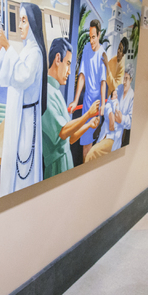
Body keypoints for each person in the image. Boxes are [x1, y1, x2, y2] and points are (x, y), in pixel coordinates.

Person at [0, 3, 47, 196]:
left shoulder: (35, 52)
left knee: (23, 176)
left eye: (24, 20)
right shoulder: (25, 50)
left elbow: (22, 77)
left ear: (33, 24)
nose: (20, 25)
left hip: (26, 122)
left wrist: (6, 44)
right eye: (20, 20)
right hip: (17, 119)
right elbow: (1, 75)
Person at [42, 37, 100, 179]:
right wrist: (87, 115)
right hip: (56, 167)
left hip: (65, 162)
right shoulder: (46, 93)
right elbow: (62, 132)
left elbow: (70, 137)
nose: (69, 72)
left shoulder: (56, 92)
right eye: (68, 64)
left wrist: (88, 125)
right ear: (57, 59)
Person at [68, 19, 107, 161]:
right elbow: (82, 76)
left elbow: (103, 82)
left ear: (99, 35)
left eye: (93, 37)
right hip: (86, 104)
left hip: (96, 106)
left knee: (91, 148)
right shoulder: (86, 49)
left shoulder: (102, 54)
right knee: (85, 148)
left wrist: (103, 105)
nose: (91, 40)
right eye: (90, 37)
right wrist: (75, 100)